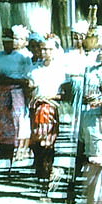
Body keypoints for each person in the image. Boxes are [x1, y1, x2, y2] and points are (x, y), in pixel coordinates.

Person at [0, 26, 33, 175]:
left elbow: (27, 79)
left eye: (10, 42)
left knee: (16, 122)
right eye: (5, 42)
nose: (7, 45)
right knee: (0, 123)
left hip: (16, 93)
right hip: (0, 93)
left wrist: (9, 79)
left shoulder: (23, 57)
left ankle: (15, 155)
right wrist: (3, 79)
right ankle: (2, 154)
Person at [28, 36, 68, 195]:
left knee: (47, 145)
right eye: (43, 49)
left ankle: (47, 176)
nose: (46, 52)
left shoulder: (60, 70)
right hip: (35, 109)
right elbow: (30, 91)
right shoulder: (34, 70)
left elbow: (64, 94)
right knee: (36, 144)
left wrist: (49, 98)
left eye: (50, 49)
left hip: (50, 109)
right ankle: (41, 176)